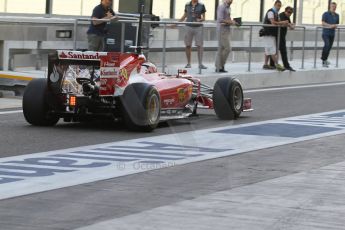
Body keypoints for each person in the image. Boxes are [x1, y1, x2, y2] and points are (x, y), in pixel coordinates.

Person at [178, 0, 207, 69]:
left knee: (199, 45)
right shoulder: (187, 5)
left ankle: (200, 64)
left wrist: (200, 20)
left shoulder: (201, 5)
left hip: (198, 27)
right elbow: (184, 15)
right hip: (188, 26)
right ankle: (188, 63)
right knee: (188, 45)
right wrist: (176, 23)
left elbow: (204, 18)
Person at [262, 0, 289, 71]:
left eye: (280, 6)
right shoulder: (271, 12)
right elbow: (273, 22)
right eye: (278, 5)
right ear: (274, 5)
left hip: (272, 34)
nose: (279, 7)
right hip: (268, 33)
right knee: (272, 50)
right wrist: (282, 22)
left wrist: (285, 23)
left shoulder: (276, 13)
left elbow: (277, 23)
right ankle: (277, 65)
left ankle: (265, 64)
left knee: (268, 49)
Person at [215, 0, 237, 73]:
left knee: (221, 49)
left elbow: (227, 19)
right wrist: (231, 22)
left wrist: (233, 21)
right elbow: (220, 19)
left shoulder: (228, 8)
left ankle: (219, 66)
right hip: (222, 30)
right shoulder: (222, 7)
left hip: (226, 29)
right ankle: (220, 65)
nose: (231, 0)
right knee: (227, 48)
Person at [321, 2, 339, 67]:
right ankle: (323, 59)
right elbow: (323, 23)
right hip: (325, 33)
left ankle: (325, 60)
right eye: (333, 6)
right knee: (327, 45)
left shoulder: (337, 15)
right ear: (330, 7)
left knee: (329, 47)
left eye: (335, 7)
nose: (334, 8)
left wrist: (335, 26)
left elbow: (336, 23)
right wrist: (330, 25)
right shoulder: (325, 14)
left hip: (332, 34)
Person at [279, 6, 295, 72]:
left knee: (280, 50)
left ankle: (273, 64)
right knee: (283, 51)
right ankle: (286, 65)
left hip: (282, 36)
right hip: (278, 35)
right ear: (285, 11)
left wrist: (291, 25)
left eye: (291, 13)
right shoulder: (281, 15)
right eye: (288, 12)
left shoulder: (287, 17)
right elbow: (284, 23)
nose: (289, 14)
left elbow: (290, 26)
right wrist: (290, 25)